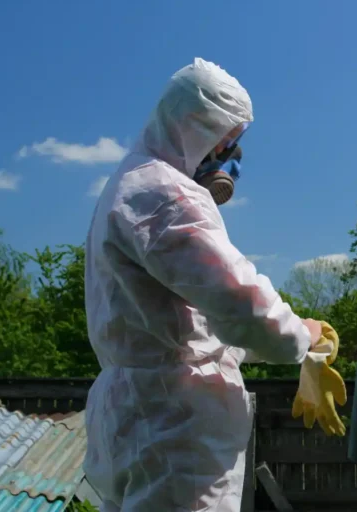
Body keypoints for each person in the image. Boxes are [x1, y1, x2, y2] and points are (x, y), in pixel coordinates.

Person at [83, 58, 337, 511]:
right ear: (194, 127)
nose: (230, 155)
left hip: (138, 414)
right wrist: (302, 335)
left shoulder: (128, 184)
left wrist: (278, 341)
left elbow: (193, 331)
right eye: (226, 140)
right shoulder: (168, 196)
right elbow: (245, 307)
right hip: (174, 426)